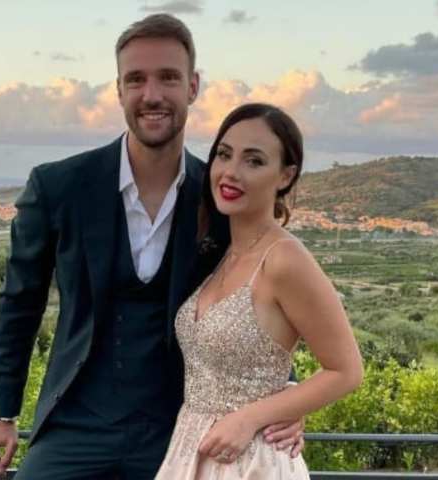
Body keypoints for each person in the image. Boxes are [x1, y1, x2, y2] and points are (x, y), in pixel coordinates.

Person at [0, 14, 304, 480]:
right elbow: (19, 303)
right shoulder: (59, 186)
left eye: (168, 77)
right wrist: (2, 412)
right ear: (119, 90)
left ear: (192, 86)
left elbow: (260, 295)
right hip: (74, 425)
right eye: (136, 80)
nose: (152, 95)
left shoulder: (220, 197)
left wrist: (286, 394)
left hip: (180, 425)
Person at [155, 103, 363, 479]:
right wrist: (287, 399)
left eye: (254, 161)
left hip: (251, 461)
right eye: (224, 154)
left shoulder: (284, 258)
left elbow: (346, 370)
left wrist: (251, 417)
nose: (231, 172)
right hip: (193, 449)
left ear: (285, 176)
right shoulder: (222, 253)